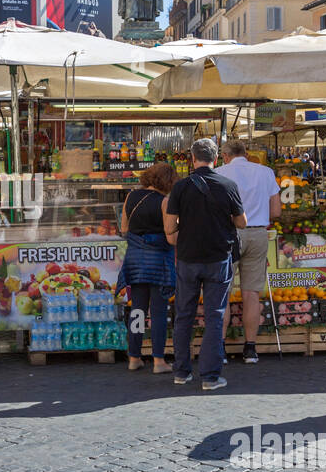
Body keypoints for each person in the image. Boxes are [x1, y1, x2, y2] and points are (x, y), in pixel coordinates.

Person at [164, 138, 246, 391]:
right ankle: (210, 377)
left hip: (188, 258)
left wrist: (188, 231)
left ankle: (181, 371)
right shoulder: (228, 185)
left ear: (192, 158)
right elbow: (241, 222)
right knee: (214, 316)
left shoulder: (180, 188)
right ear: (216, 159)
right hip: (218, 257)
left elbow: (169, 227)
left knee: (184, 315)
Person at [215, 140, 281, 364]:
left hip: (229, 234)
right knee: (251, 293)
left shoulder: (219, 173)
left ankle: (220, 348)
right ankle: (250, 348)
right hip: (258, 233)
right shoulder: (266, 172)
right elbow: (276, 210)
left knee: (222, 290)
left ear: (225, 155)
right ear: (246, 153)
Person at [119, 162, 177, 374]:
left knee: (137, 309)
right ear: (168, 181)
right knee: (159, 311)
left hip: (135, 259)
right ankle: (159, 361)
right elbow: (171, 237)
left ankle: (134, 357)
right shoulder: (165, 202)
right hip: (158, 261)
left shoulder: (131, 196)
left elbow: (124, 228)